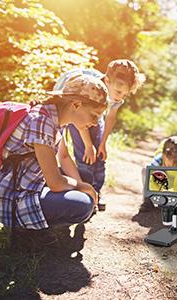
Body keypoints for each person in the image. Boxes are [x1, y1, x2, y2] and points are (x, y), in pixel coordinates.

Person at [0, 74, 109, 230]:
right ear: (76, 105)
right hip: (13, 196)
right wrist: (86, 188)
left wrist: (82, 184)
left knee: (85, 176)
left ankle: (40, 219)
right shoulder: (42, 122)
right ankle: (26, 229)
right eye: (94, 115)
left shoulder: (56, 119)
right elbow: (55, 183)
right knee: (83, 204)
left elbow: (63, 156)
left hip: (30, 181)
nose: (96, 123)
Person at [54, 60, 145, 211]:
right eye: (118, 92)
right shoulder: (91, 89)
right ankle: (85, 191)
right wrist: (88, 146)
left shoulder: (116, 94)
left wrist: (102, 143)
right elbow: (81, 121)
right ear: (107, 81)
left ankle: (96, 190)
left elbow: (110, 117)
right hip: (73, 106)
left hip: (93, 108)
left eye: (124, 94)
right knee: (85, 152)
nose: (120, 97)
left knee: (99, 154)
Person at [139, 136, 177, 212]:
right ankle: (148, 201)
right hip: (161, 187)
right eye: (172, 161)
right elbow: (151, 179)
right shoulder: (158, 161)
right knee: (145, 170)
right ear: (164, 156)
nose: (175, 165)